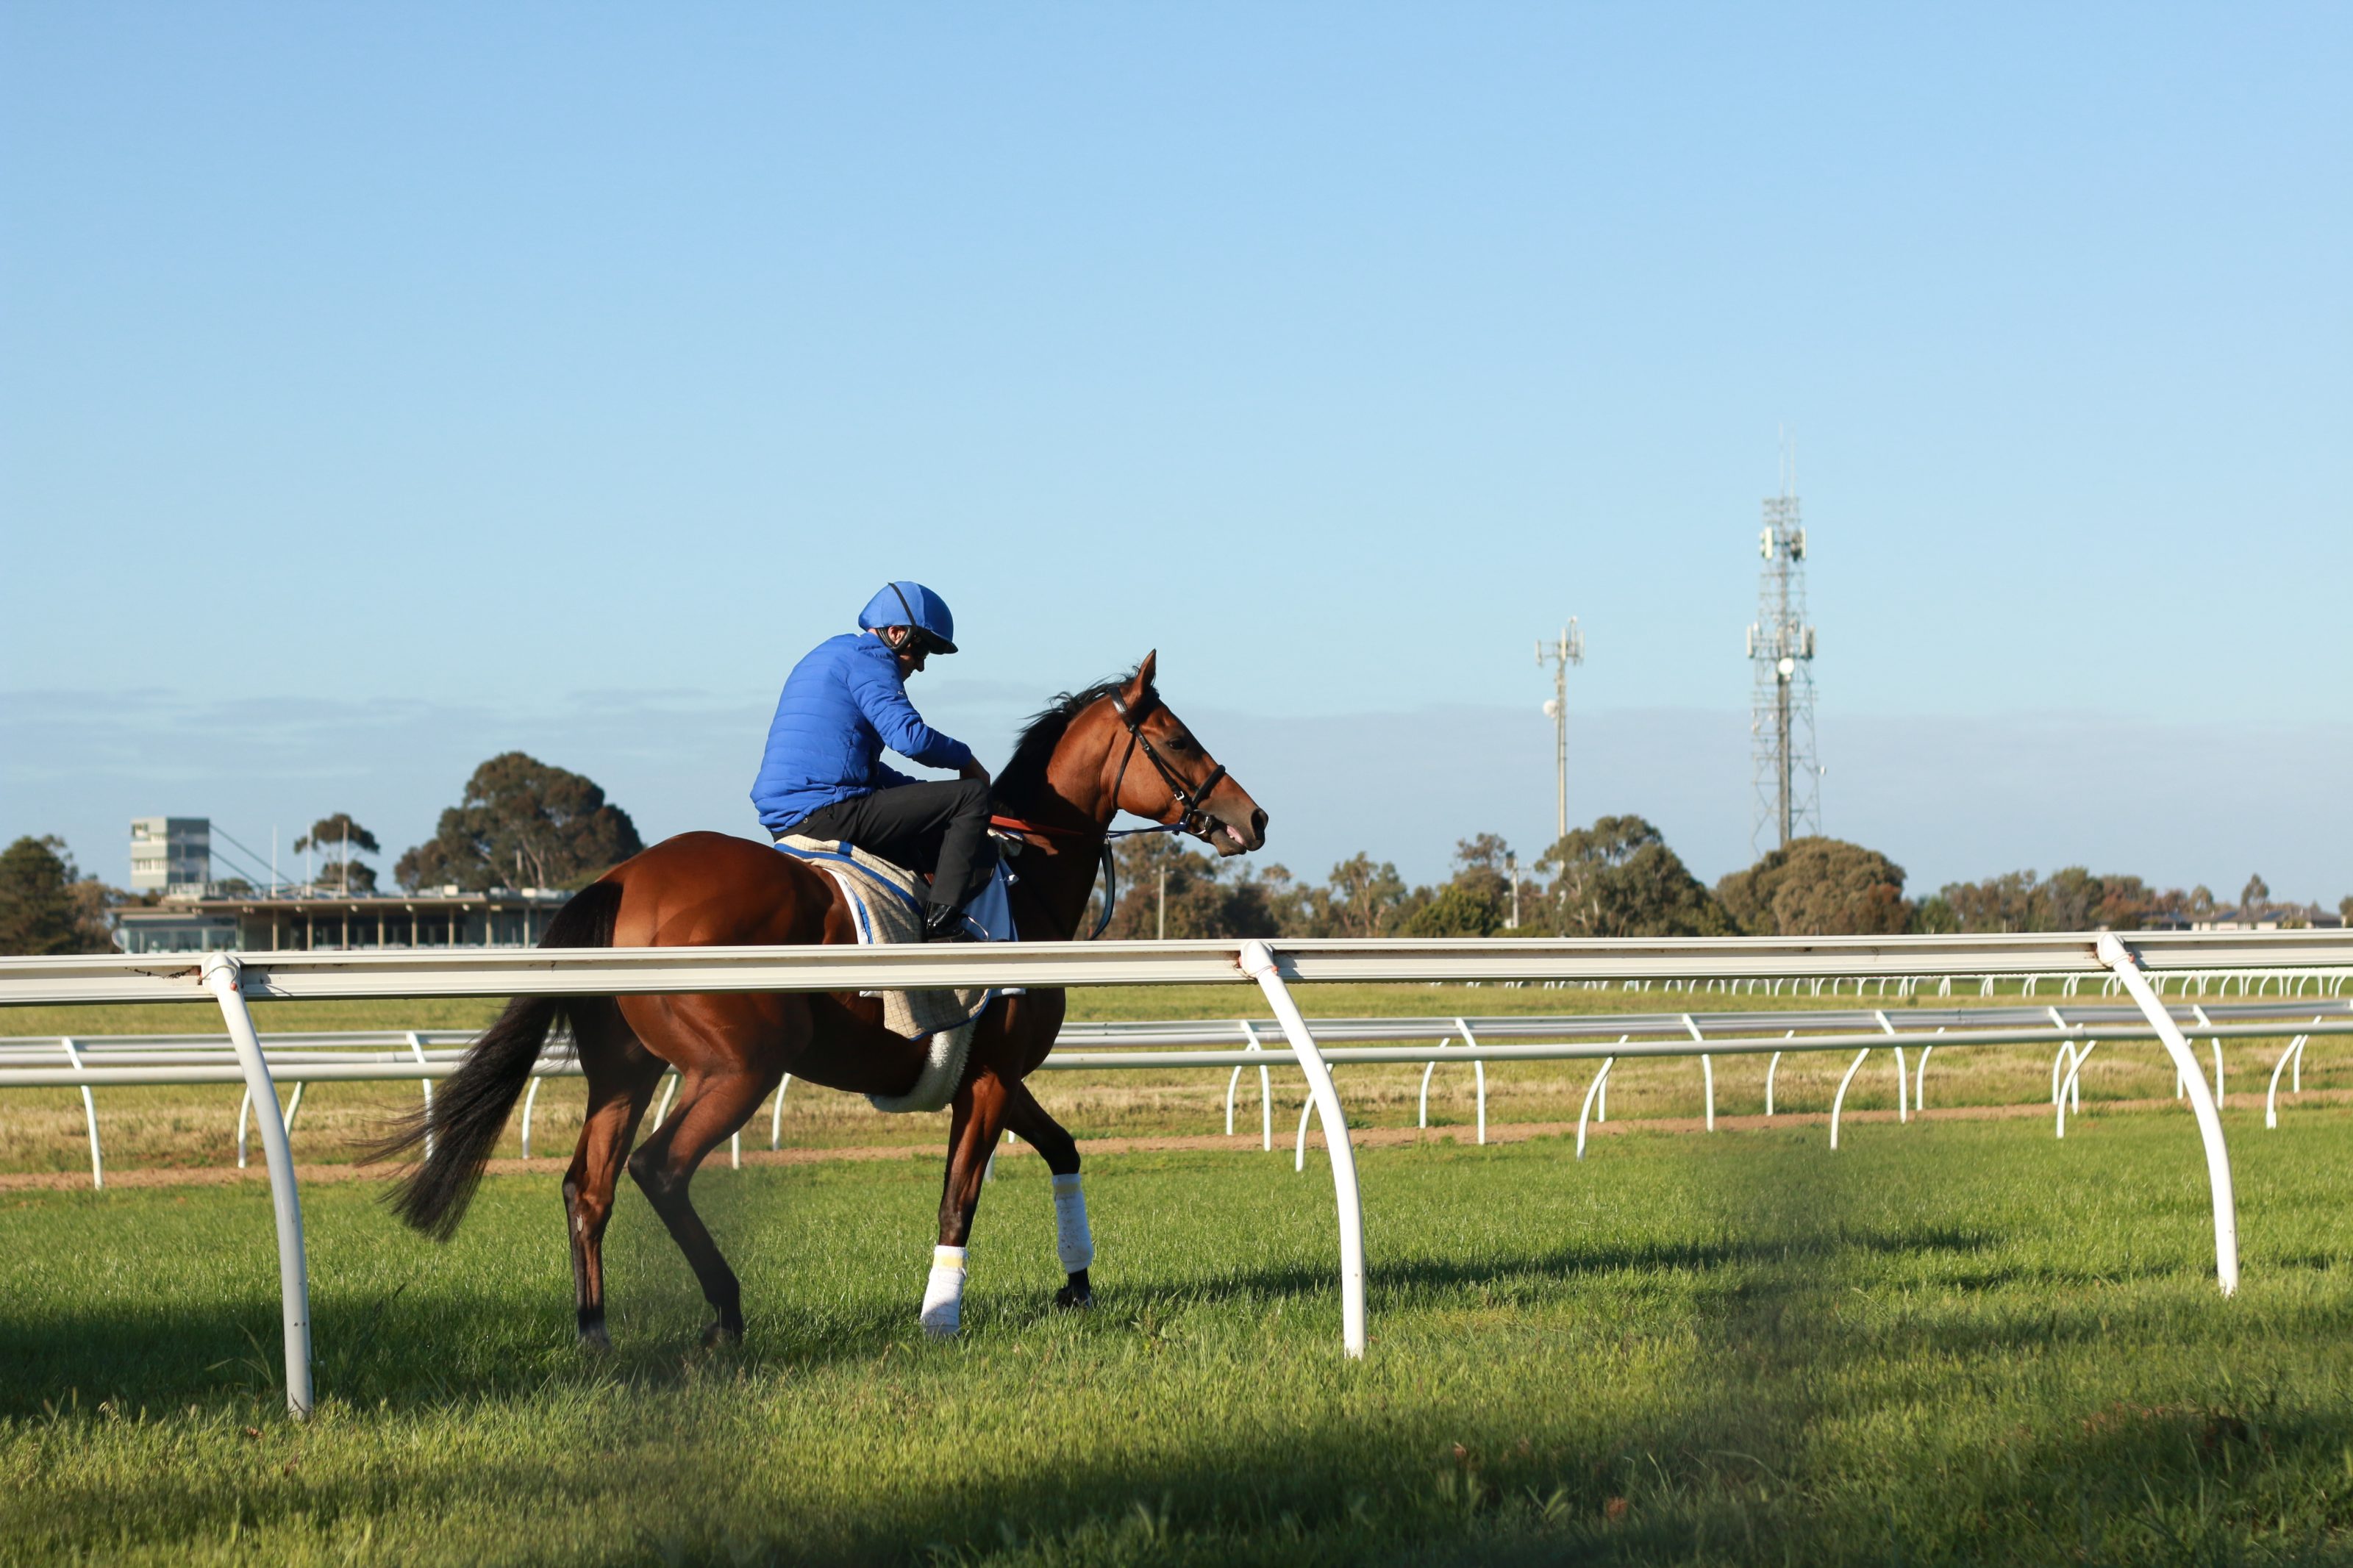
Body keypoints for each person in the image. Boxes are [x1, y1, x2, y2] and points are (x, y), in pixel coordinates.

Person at [751, 581, 996, 940]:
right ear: (896, 633)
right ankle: (943, 926)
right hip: (826, 812)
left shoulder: (832, 653)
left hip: (788, 815)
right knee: (973, 796)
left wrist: (922, 793)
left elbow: (857, 766)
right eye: (921, 650)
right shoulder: (871, 658)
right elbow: (909, 739)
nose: (922, 666)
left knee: (942, 805)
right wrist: (968, 761)